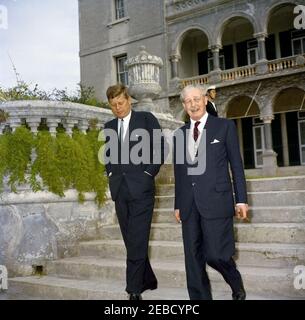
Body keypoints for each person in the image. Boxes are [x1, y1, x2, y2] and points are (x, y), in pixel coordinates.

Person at [173, 84, 248, 300]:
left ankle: (234, 280)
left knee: (216, 254)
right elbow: (180, 172)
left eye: (197, 99)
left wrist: (241, 199)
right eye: (188, 101)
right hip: (188, 204)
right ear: (184, 105)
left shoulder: (224, 127)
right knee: (193, 260)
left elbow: (236, 165)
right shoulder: (179, 134)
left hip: (217, 200)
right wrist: (178, 204)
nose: (193, 104)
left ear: (205, 100)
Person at [103, 84, 165, 300]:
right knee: (132, 240)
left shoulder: (146, 120)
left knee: (138, 239)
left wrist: (148, 173)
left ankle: (134, 289)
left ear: (129, 99)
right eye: (113, 105)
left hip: (142, 191)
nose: (118, 108)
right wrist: (110, 174)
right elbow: (108, 157)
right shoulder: (108, 126)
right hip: (120, 191)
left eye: (120, 103)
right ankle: (148, 279)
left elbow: (160, 149)